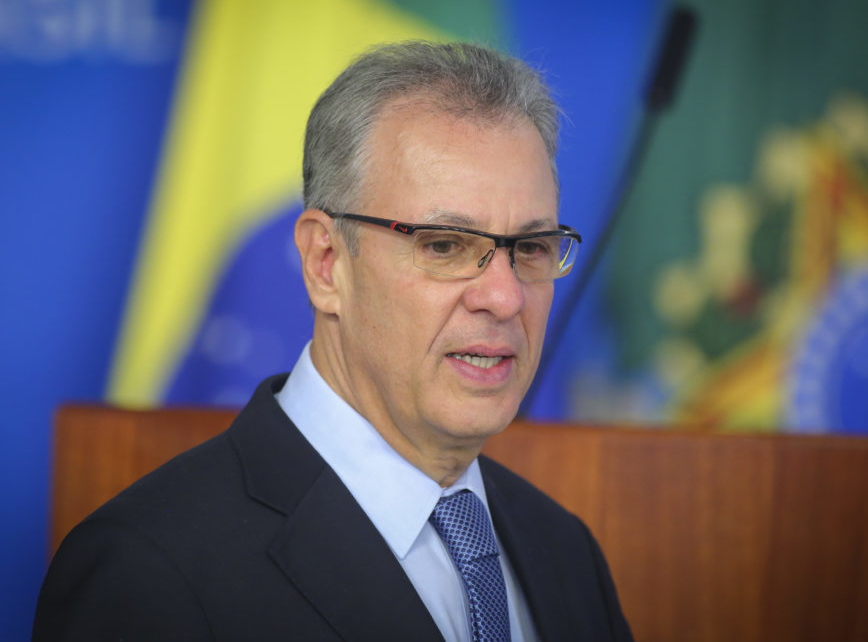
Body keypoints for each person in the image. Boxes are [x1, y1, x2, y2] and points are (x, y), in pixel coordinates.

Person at [33, 41, 633, 641]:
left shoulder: (564, 550)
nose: (505, 298)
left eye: (530, 248)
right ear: (326, 264)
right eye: (444, 245)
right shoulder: (144, 571)